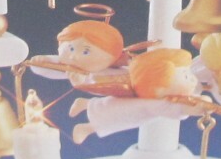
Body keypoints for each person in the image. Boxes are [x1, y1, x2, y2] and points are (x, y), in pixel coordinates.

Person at [71, 48, 207, 144]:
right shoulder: (157, 102)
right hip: (127, 113)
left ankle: (85, 105)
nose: (192, 79)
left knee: (114, 104)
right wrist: (193, 108)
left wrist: (199, 102)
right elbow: (179, 109)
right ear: (160, 86)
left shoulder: (163, 97)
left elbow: (184, 103)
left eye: (188, 73)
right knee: (112, 117)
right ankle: (86, 128)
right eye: (185, 76)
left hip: (135, 109)